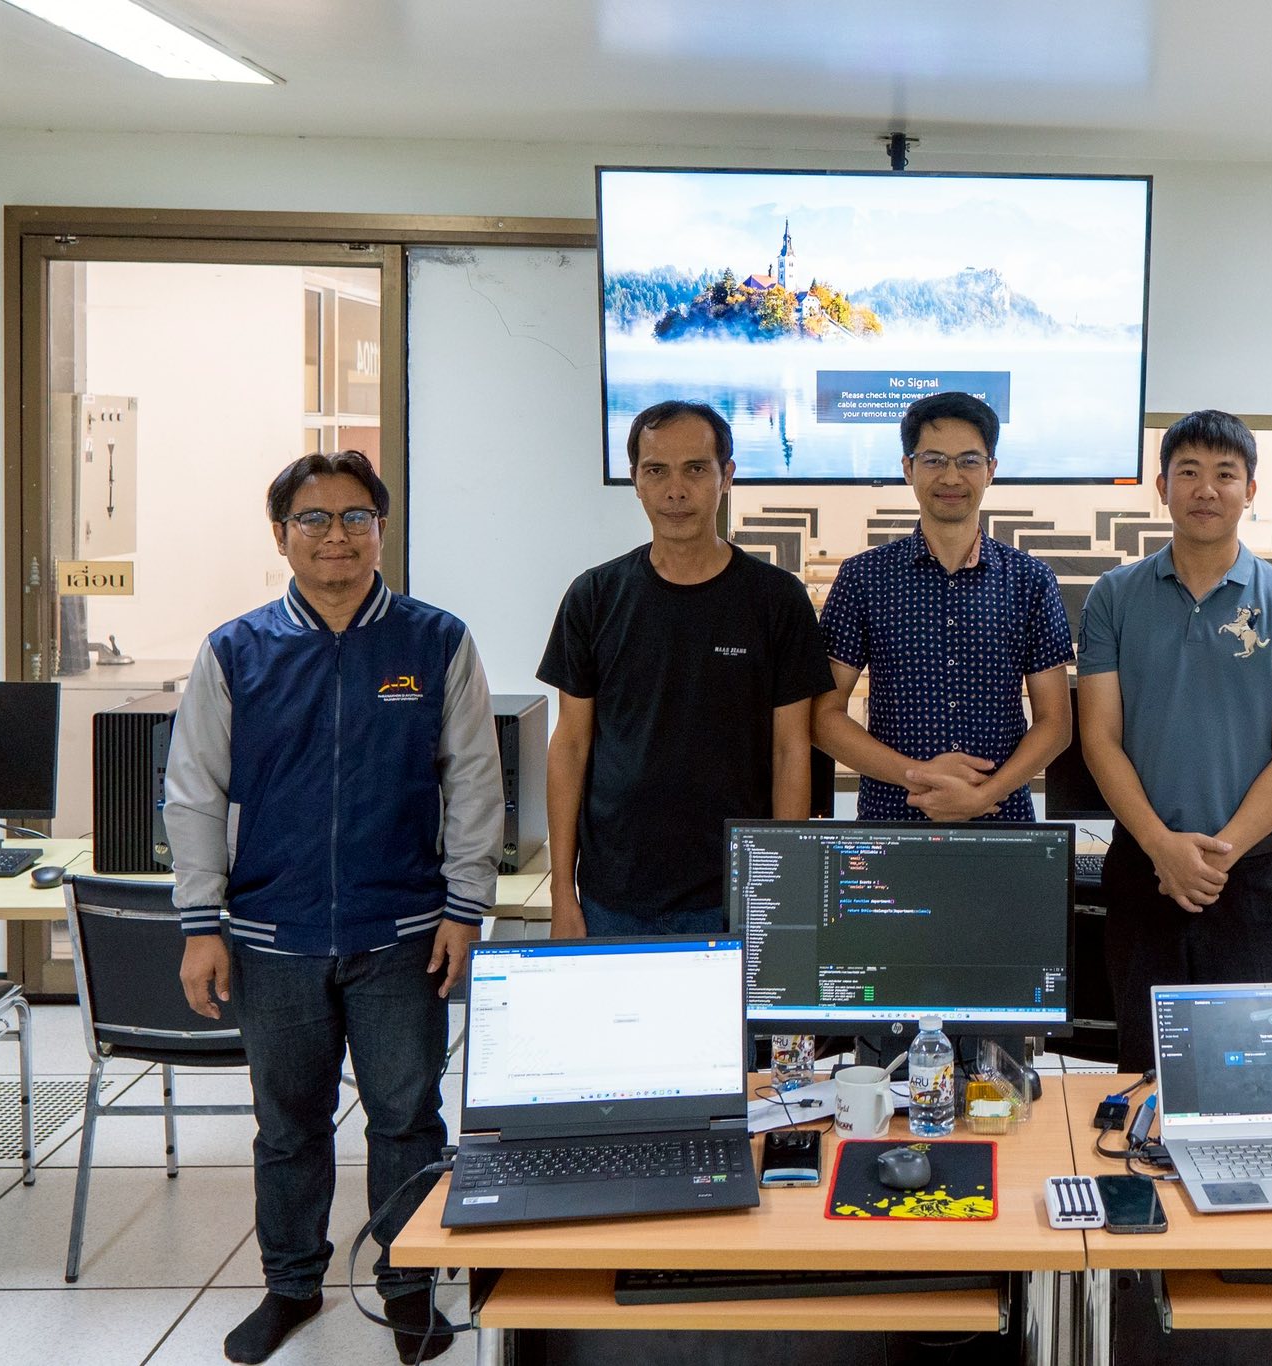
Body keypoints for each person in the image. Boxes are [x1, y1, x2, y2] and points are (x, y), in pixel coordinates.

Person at [165, 451, 501, 1364]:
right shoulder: (236, 651)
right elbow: (193, 793)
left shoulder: (436, 642)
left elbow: (475, 781)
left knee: (407, 1119)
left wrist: (466, 907)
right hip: (273, 935)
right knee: (288, 1126)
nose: (337, 536)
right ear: (281, 535)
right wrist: (200, 924)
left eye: (357, 517)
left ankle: (407, 1288)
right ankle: (290, 1285)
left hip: (403, 935)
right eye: (313, 519)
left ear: (381, 530)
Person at [1077, 409, 1272, 1071]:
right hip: (1143, 866)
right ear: (1162, 487)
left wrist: (1218, 856)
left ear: (1251, 490)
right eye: (1188, 472)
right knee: (1146, 1068)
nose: (1206, 490)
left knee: (1256, 1074)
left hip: (1248, 874)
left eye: (1225, 474)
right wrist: (1162, 846)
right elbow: (1099, 738)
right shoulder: (1113, 597)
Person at [539, 400, 831, 937]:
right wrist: (562, 891)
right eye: (657, 471)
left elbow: (791, 750)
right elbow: (571, 746)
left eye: (696, 469)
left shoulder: (776, 599)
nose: (676, 490)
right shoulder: (594, 596)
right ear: (636, 481)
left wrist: (781, 883)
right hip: (614, 894)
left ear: (726, 476)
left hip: (734, 891)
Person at [814, 391, 1073, 822]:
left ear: (991, 470)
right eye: (933, 460)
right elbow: (824, 718)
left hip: (1002, 823)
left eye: (969, 461)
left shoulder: (1030, 580)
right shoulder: (863, 578)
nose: (951, 477)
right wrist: (918, 776)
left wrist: (982, 795)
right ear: (908, 468)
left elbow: (1056, 724)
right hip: (892, 821)